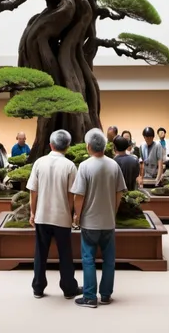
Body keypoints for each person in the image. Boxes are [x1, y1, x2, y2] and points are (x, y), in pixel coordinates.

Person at [72, 128, 126, 308]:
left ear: (88, 146)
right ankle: (105, 294)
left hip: (90, 221)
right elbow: (119, 193)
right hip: (108, 221)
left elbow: (78, 196)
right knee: (109, 259)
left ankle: (89, 296)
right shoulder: (114, 165)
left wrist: (77, 216)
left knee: (88, 258)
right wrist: (114, 211)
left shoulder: (85, 166)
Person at [26, 130, 82, 300]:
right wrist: (72, 214)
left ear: (50, 145)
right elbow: (71, 194)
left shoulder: (39, 163)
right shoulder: (70, 166)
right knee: (65, 253)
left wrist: (32, 212)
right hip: (61, 216)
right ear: (67, 146)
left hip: (42, 215)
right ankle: (68, 288)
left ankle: (38, 287)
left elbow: (33, 191)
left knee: (40, 253)